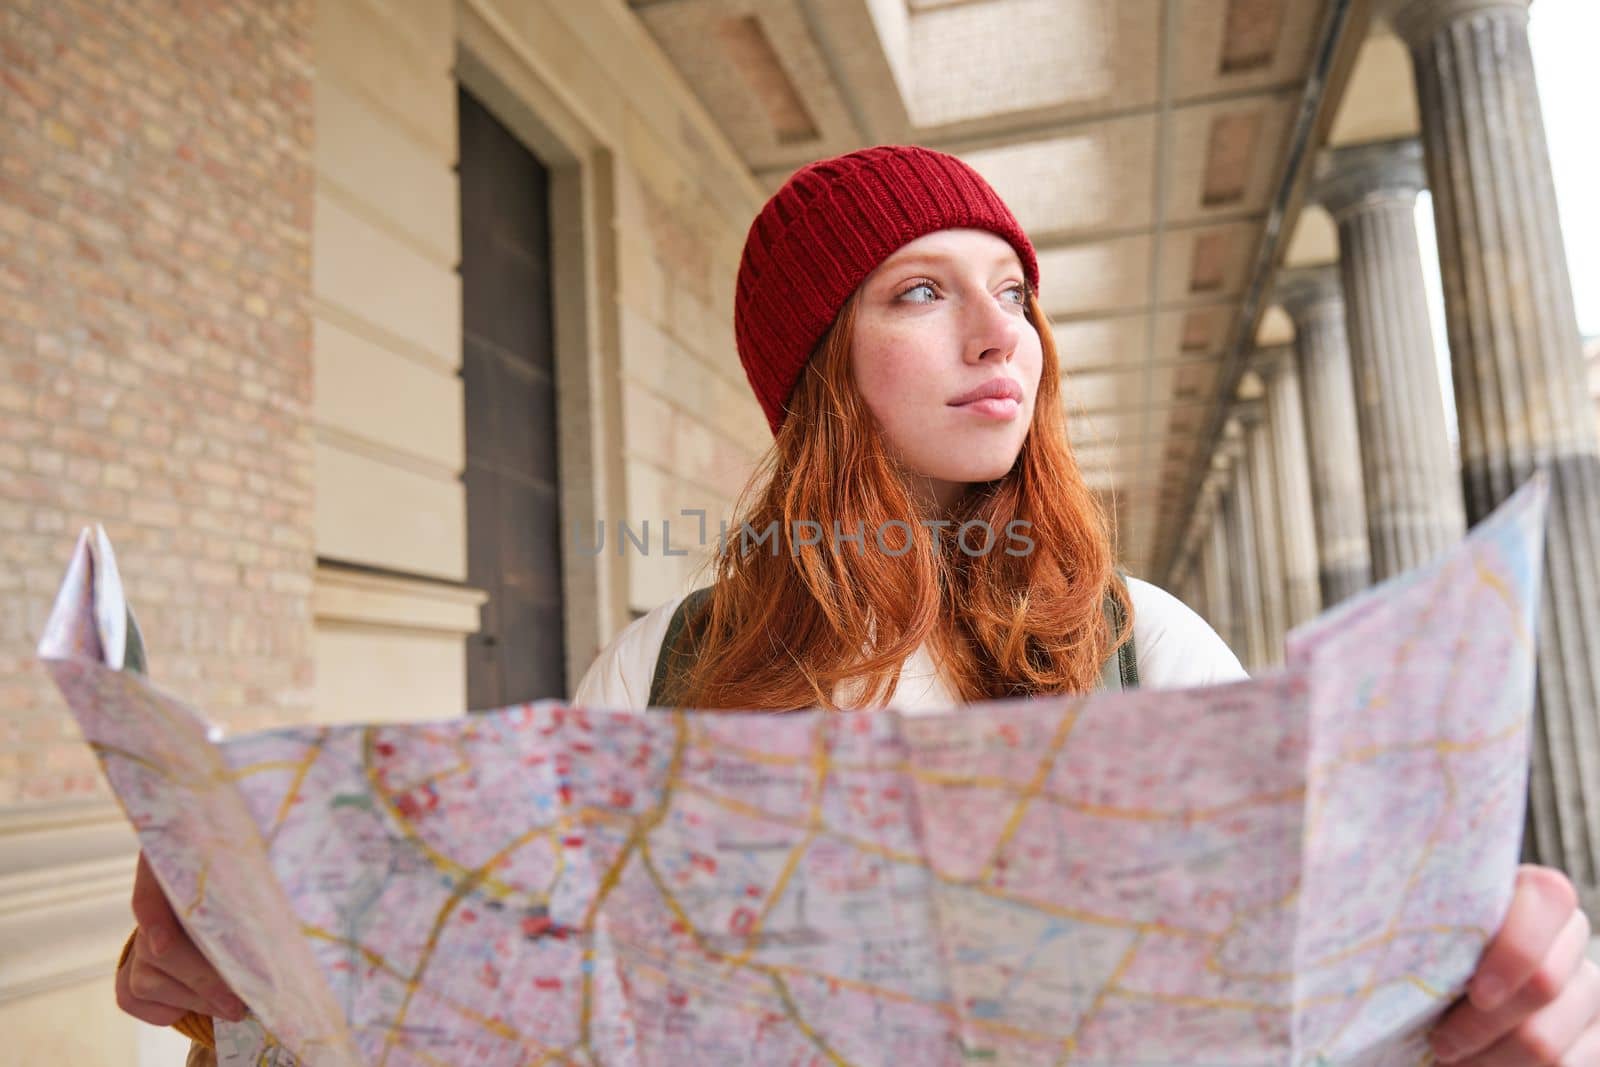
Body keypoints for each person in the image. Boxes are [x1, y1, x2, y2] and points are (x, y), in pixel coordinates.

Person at [117, 145, 1599, 1065]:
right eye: (917, 292)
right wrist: (249, 982)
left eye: (1012, 291)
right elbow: (544, 1017)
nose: (994, 332)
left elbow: (1299, 1019)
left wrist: (1482, 1019)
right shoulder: (658, 669)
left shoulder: (1152, 645)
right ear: (821, 365)